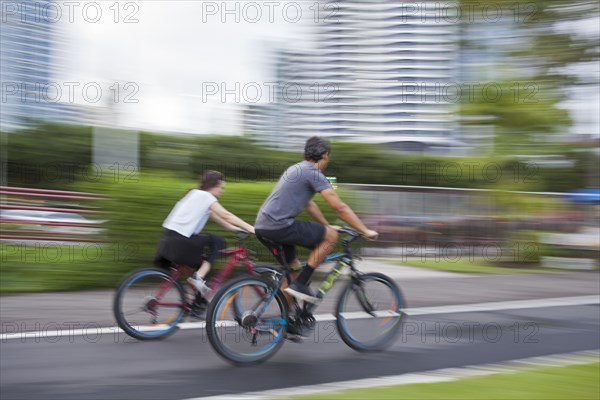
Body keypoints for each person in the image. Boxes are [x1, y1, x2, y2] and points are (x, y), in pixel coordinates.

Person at [255, 136, 378, 305]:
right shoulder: (313, 173)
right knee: (331, 237)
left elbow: (309, 205)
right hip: (279, 225)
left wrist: (326, 226)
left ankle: (287, 319)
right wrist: (365, 230)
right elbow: (340, 207)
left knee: (293, 270)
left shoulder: (296, 169)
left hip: (263, 227)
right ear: (326, 155)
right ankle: (300, 285)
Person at [154, 171, 255, 311]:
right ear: (214, 185)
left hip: (168, 241)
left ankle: (196, 302)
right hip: (180, 241)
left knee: (205, 262)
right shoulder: (206, 196)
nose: (222, 191)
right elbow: (226, 215)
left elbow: (220, 219)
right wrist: (251, 228)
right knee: (218, 241)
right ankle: (198, 277)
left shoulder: (195, 194)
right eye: (222, 187)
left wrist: (235, 229)